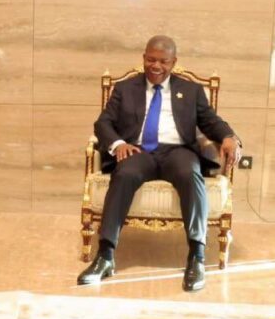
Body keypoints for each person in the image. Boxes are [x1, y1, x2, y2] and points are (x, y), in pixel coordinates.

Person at [77, 36, 242, 292]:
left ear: (173, 62)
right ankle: (105, 256)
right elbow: (103, 123)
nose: (156, 66)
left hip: (178, 151)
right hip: (139, 150)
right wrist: (118, 145)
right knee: (124, 173)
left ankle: (196, 257)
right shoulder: (125, 88)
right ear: (144, 58)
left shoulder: (191, 90)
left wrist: (230, 137)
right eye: (151, 59)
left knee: (190, 173)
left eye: (163, 61)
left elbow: (211, 121)